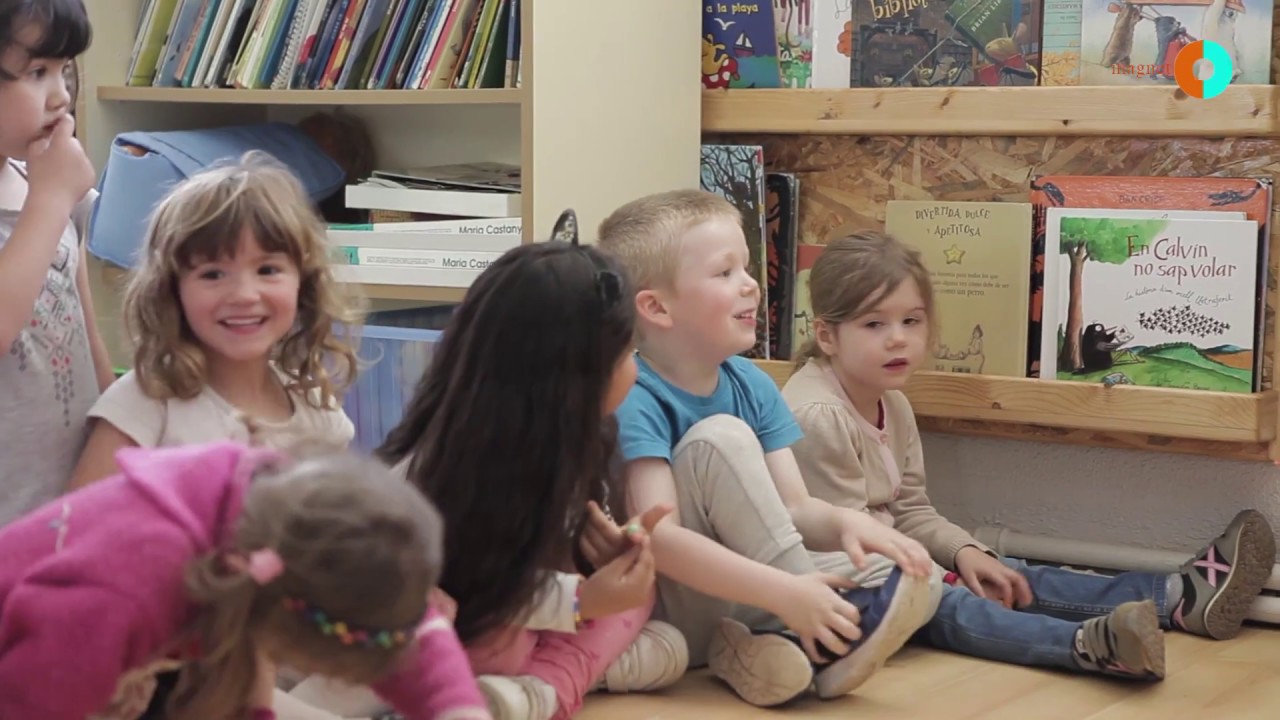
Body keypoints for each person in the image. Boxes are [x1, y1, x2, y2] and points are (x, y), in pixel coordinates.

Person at [782, 229, 1278, 680]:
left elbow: (909, 510)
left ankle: (1175, 597)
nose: (898, 338)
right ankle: (1086, 646)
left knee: (1007, 571)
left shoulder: (892, 400)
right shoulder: (820, 415)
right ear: (827, 334)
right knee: (957, 606)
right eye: (874, 324)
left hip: (896, 567)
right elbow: (847, 546)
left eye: (911, 320)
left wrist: (966, 554)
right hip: (843, 590)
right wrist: (943, 578)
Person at [298, 211, 686, 720]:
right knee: (516, 640)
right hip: (446, 639)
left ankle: (534, 690)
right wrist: (581, 601)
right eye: (626, 352)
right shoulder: (448, 473)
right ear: (574, 378)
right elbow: (478, 590)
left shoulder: (562, 443)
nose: (634, 367)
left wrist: (600, 561)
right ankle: (540, 691)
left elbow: (530, 567)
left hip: (511, 626)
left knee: (655, 626)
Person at [597, 189, 940, 708]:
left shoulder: (750, 382)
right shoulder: (634, 393)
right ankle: (813, 629)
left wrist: (851, 525)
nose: (751, 285)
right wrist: (789, 589)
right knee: (721, 438)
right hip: (675, 600)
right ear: (656, 306)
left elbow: (796, 509)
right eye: (725, 272)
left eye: (748, 267)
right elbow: (658, 539)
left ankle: (766, 649)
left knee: (917, 575)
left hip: (751, 591)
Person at [0, 440, 491, 720]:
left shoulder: (274, 520)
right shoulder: (122, 596)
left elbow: (406, 625)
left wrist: (458, 710)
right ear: (283, 628)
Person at [68, 150, 362, 488]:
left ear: (304, 282)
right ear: (172, 289)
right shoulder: (146, 403)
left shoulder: (316, 410)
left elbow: (341, 526)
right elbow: (74, 527)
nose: (244, 294)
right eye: (213, 274)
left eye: (267, 270)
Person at [0, 0, 114, 525]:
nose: (62, 95)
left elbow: (88, 337)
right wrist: (51, 200)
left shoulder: (38, 186)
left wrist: (118, 428)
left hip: (67, 506)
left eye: (64, 70)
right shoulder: (47, 194)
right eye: (37, 72)